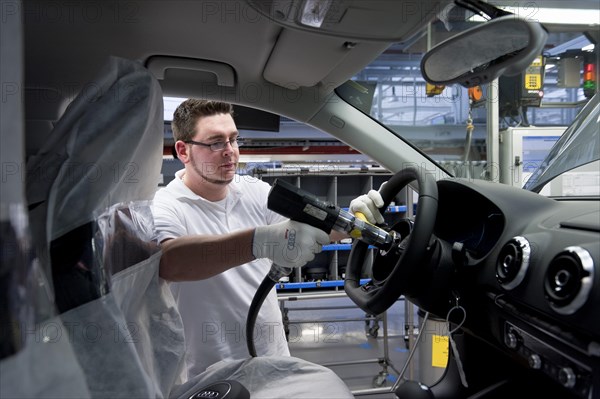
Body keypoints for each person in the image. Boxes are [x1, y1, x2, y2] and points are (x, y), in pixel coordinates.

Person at [153, 99, 385, 377]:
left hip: (273, 360)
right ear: (183, 150)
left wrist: (355, 221)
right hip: (207, 375)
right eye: (216, 143)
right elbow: (171, 260)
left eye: (234, 140)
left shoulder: (254, 191)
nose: (230, 152)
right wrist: (258, 241)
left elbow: (311, 227)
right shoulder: (166, 204)